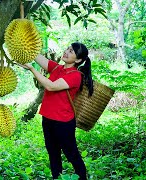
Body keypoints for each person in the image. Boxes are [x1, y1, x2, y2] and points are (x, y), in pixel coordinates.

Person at [19, 42, 93, 180]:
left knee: (71, 154)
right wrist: (24, 44)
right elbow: (36, 56)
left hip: (63, 122)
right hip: (47, 119)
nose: (66, 52)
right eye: (67, 49)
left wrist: (32, 69)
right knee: (53, 154)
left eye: (71, 52)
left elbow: (51, 86)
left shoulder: (76, 75)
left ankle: (82, 177)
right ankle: (56, 178)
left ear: (78, 60)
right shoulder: (57, 68)